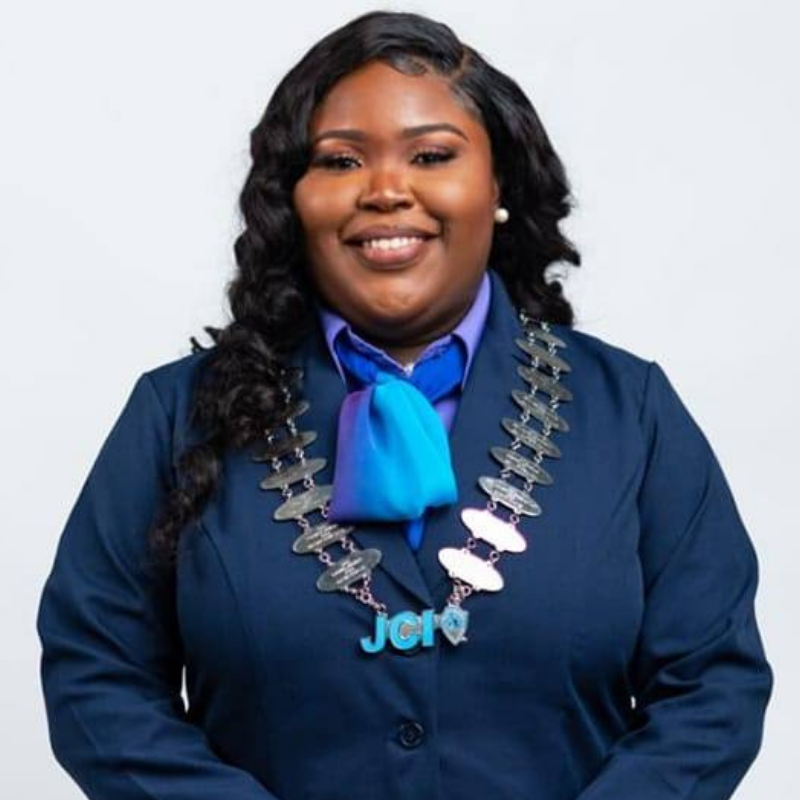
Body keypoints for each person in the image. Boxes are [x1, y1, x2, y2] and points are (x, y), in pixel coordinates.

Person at [36, 10, 773, 800]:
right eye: (340, 160)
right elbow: (97, 675)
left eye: (431, 155)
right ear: (294, 199)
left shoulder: (631, 413)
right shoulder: (174, 415)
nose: (386, 190)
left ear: (498, 185)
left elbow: (712, 689)